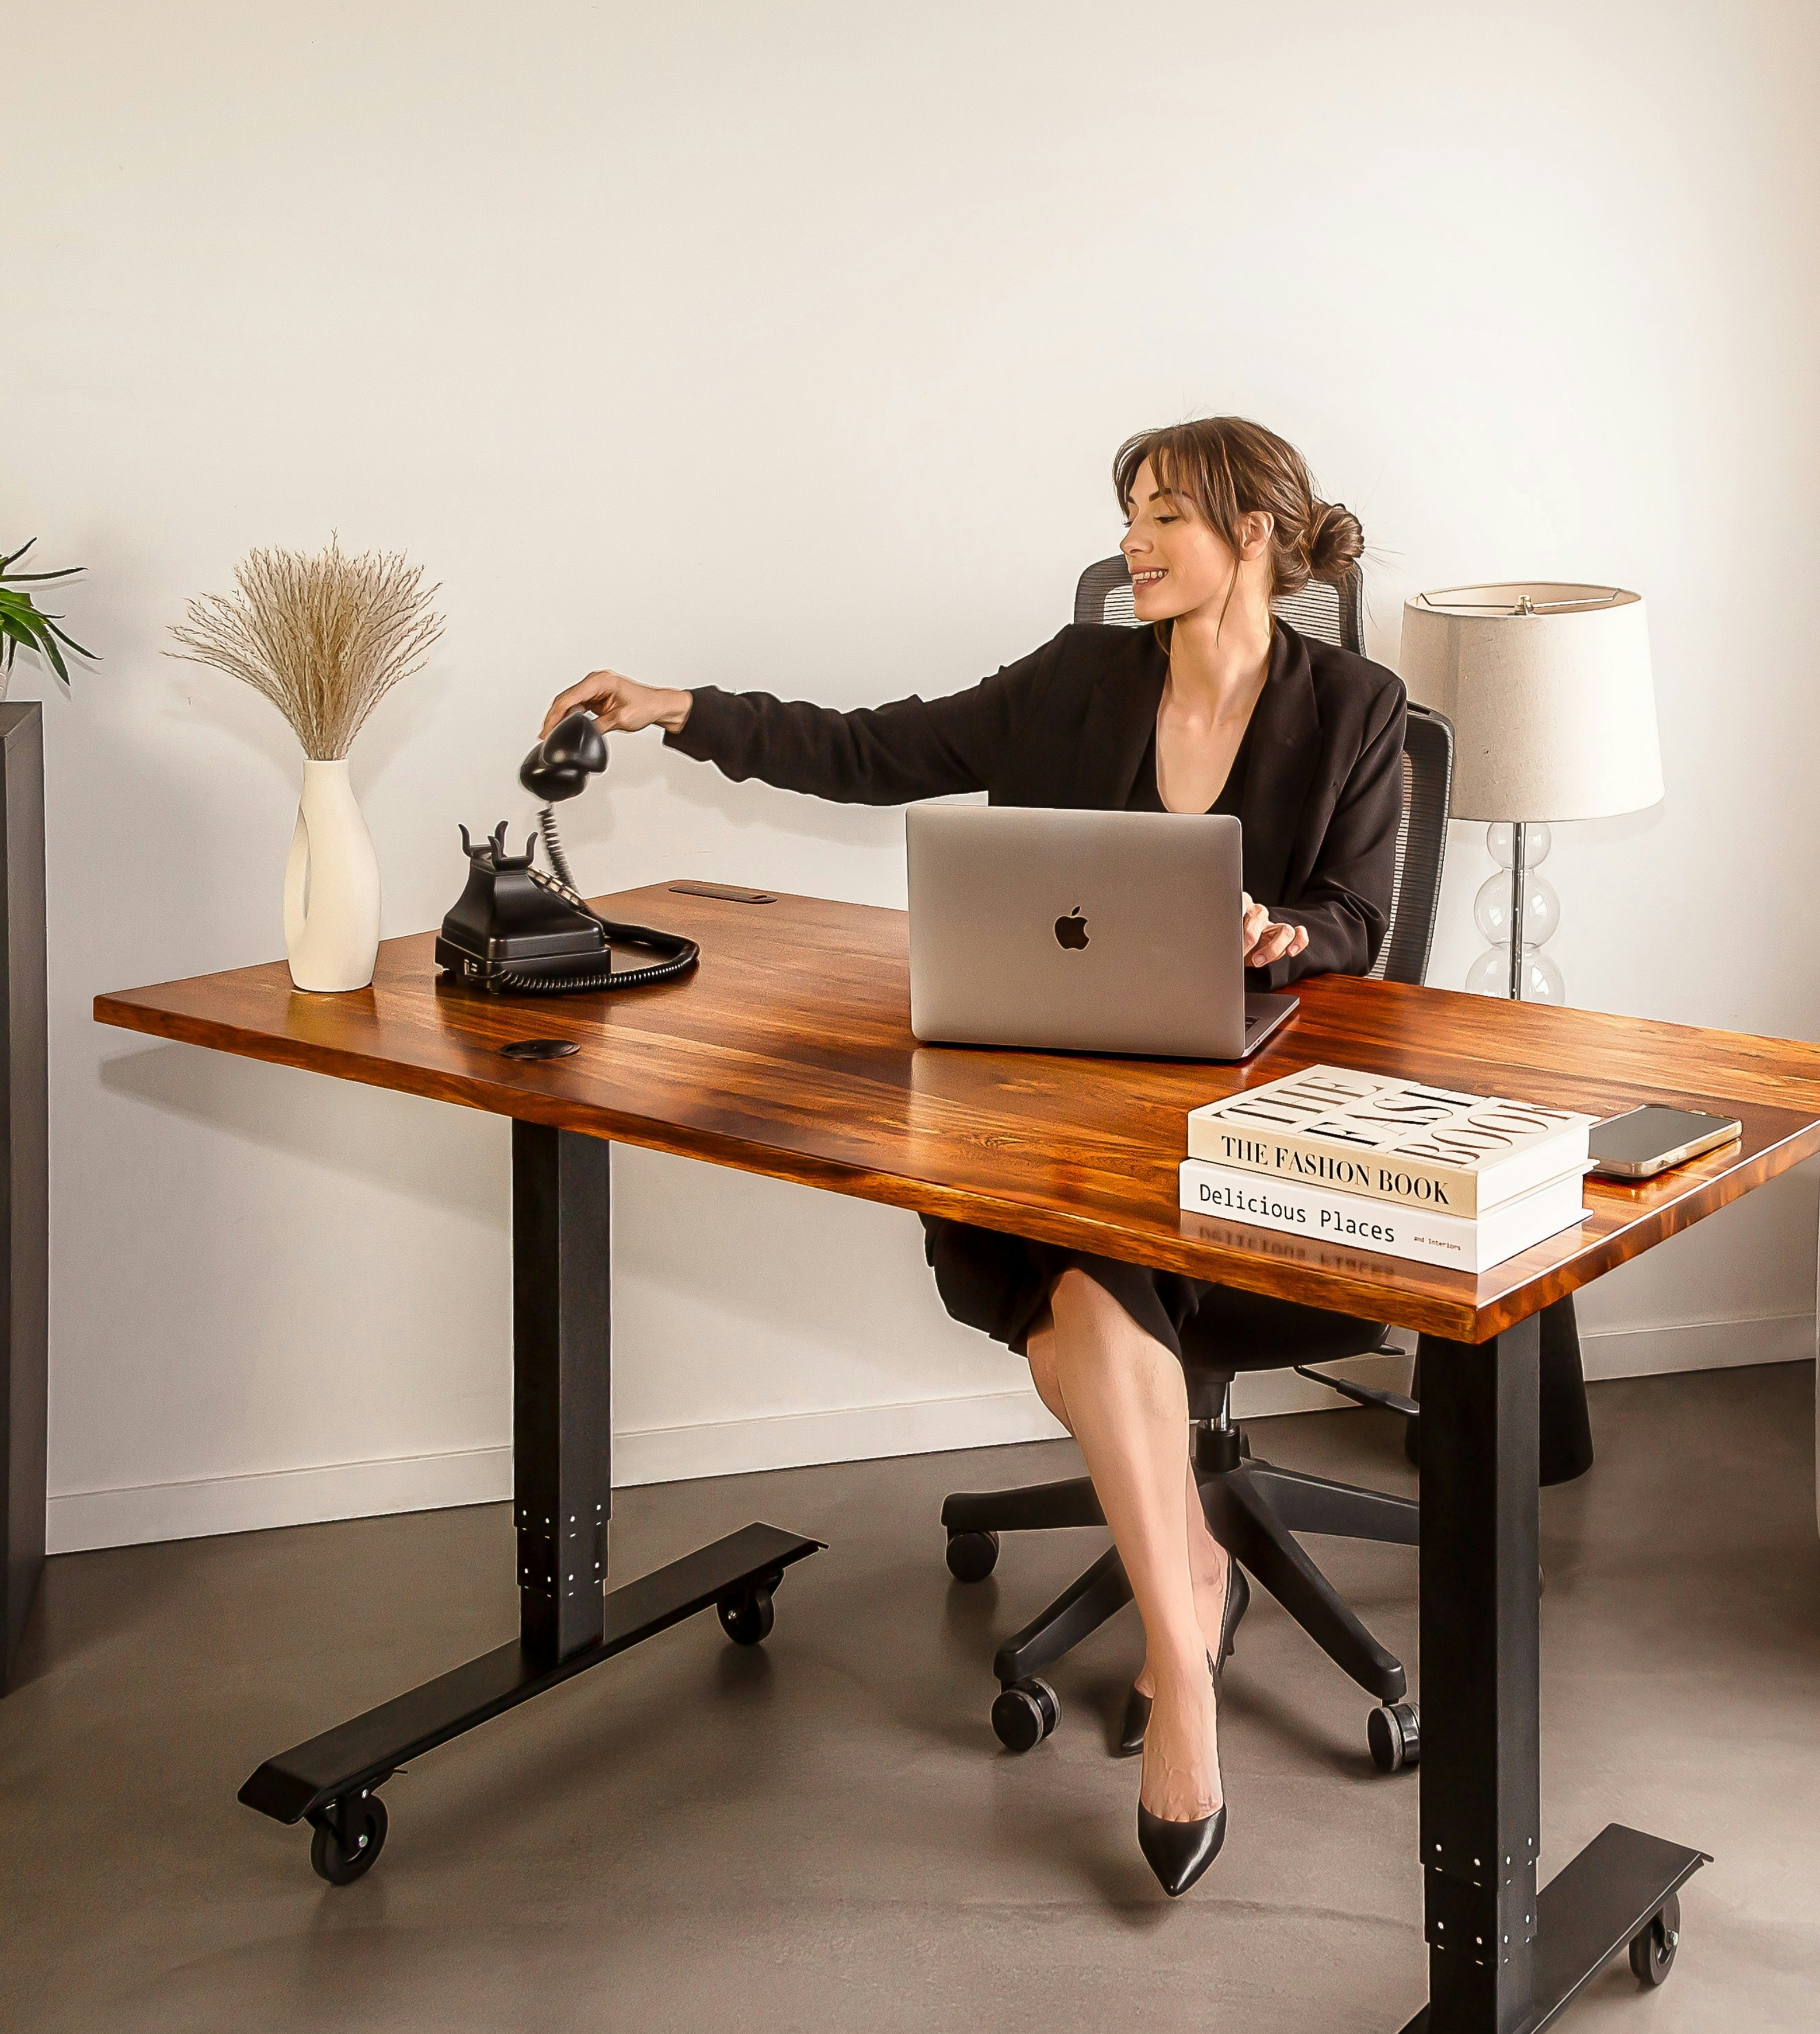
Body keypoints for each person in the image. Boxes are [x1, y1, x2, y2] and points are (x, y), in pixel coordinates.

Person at [538, 416, 1409, 1900]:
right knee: (1071, 1270)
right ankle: (1183, 1616)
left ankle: (1182, 1639)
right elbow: (876, 749)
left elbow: (1357, 917)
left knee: (1090, 1291)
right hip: (1040, 1110)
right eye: (1124, 516)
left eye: (1159, 520)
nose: (1128, 545)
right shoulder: (1075, 680)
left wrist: (1284, 931)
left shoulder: (1353, 705)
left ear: (1252, 535)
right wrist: (677, 708)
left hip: (1229, 1127)